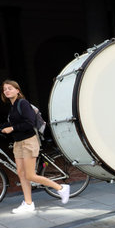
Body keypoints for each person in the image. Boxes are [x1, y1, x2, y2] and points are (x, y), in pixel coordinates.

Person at [1, 80, 70, 213]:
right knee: (21, 174)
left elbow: (29, 123)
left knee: (30, 175)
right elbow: (9, 124)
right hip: (18, 143)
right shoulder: (13, 107)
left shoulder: (23, 103)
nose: (7, 91)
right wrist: (5, 128)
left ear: (17, 90)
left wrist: (12, 128)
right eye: (4, 89)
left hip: (28, 142)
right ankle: (28, 203)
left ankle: (61, 188)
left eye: (10, 88)